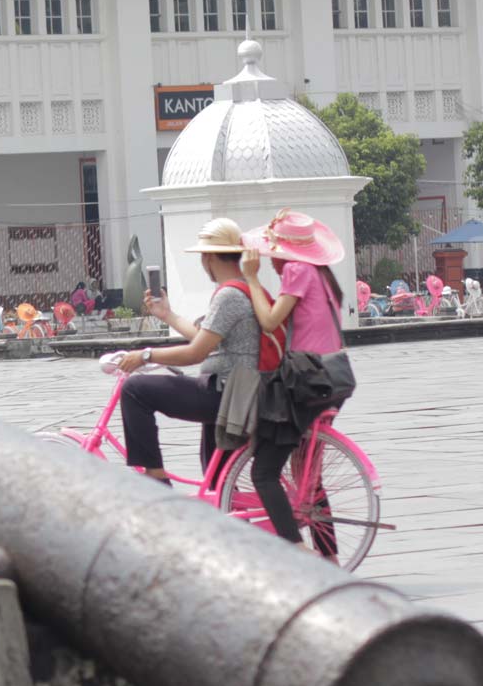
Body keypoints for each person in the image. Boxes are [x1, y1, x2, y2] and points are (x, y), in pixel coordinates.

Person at [115, 218, 261, 482]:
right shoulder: (242, 289)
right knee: (216, 481)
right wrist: (167, 314)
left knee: (134, 390)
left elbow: (196, 353)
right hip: (235, 392)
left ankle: (157, 479)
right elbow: (206, 340)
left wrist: (146, 355)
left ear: (208, 258)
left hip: (225, 393)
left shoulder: (229, 296)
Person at [239, 211, 349, 552]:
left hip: (308, 380)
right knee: (308, 475)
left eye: (273, 253)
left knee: (264, 472)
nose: (271, 260)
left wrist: (251, 279)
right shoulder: (321, 274)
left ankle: (298, 551)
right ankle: (329, 558)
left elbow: (270, 321)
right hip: (334, 376)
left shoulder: (297, 269)